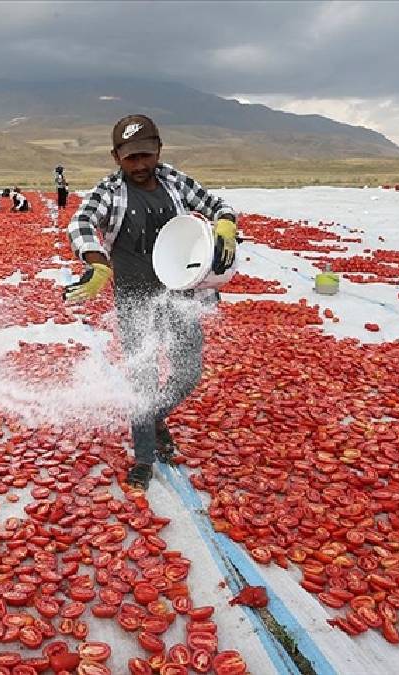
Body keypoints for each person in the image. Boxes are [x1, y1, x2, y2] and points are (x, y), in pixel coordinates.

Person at [64, 114, 238, 492]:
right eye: (131, 158)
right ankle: (143, 457)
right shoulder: (110, 191)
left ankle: (156, 417)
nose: (140, 165)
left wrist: (225, 225)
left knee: (187, 372)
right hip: (134, 295)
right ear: (116, 157)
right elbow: (79, 223)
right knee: (142, 377)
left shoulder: (175, 180)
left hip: (179, 292)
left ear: (159, 149)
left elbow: (218, 206)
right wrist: (96, 264)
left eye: (146, 155)